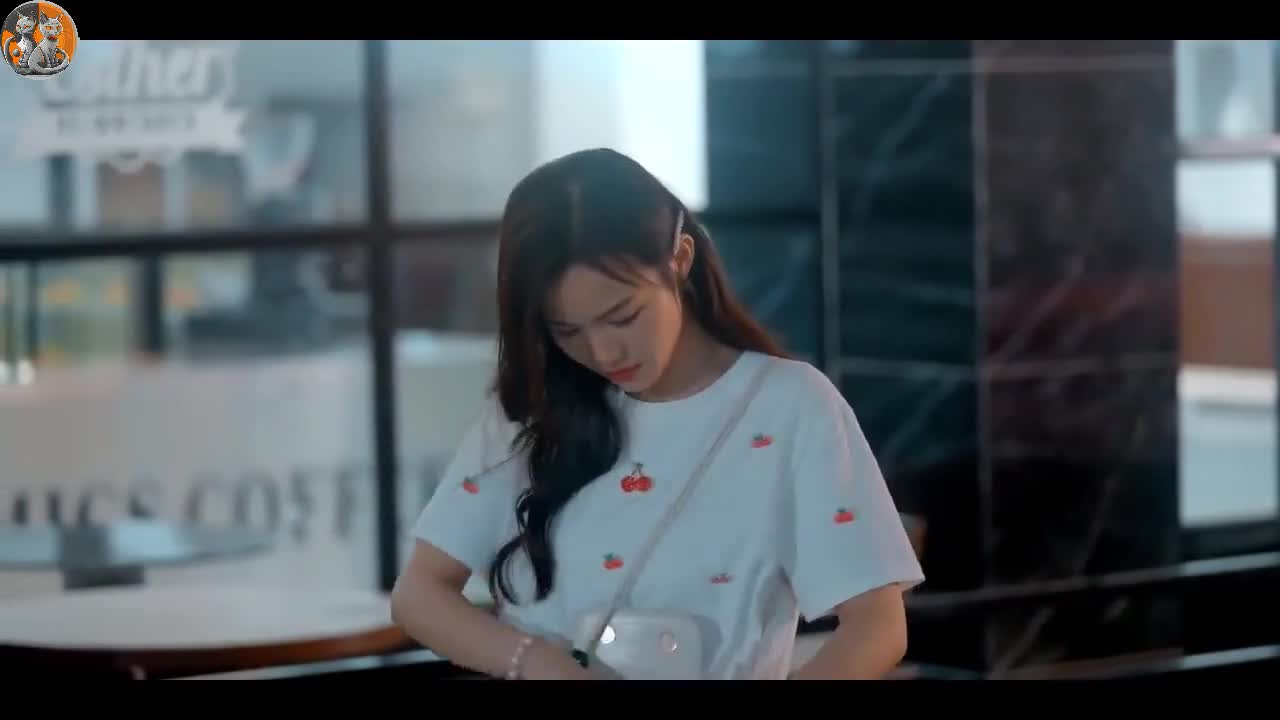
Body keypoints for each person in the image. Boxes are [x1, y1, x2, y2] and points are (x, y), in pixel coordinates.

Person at [390, 148, 924, 680]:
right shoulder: (530, 412)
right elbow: (420, 595)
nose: (603, 353)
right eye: (567, 331)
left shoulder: (791, 407)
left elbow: (876, 627)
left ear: (680, 259)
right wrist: (539, 663)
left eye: (622, 316)